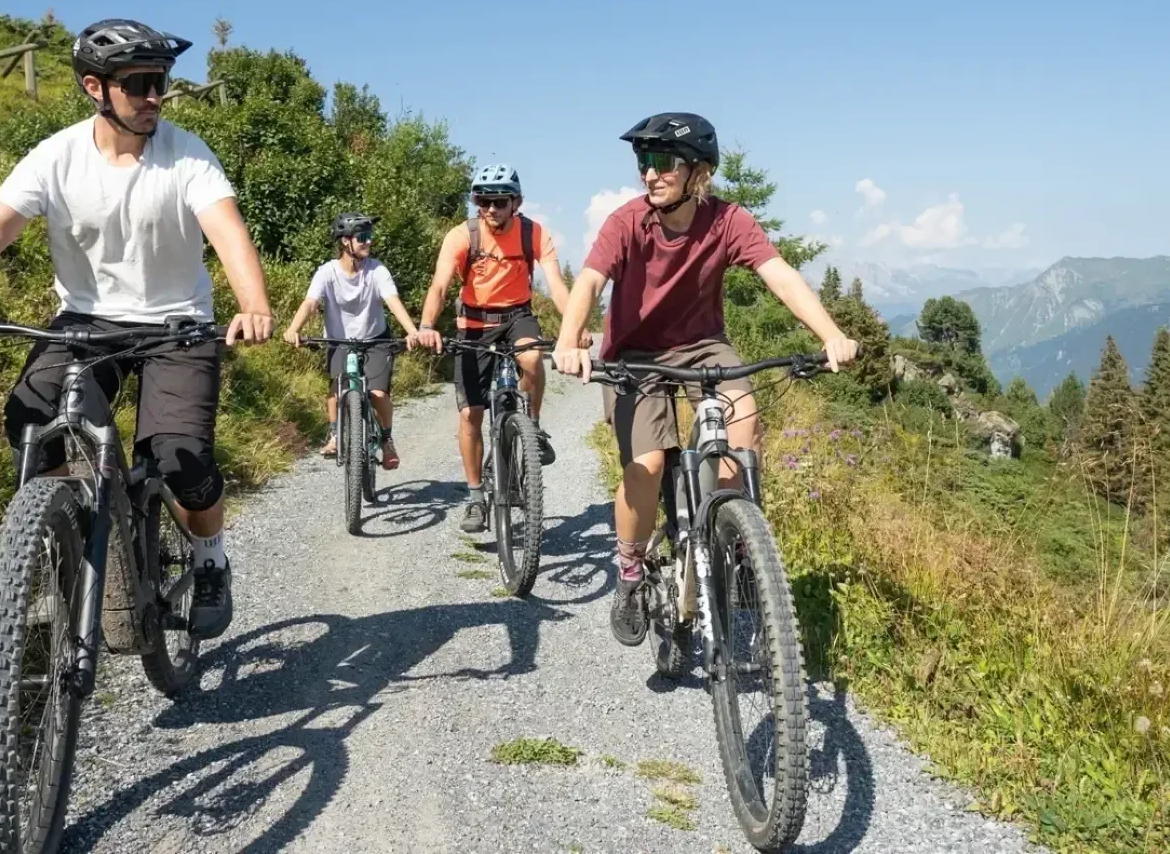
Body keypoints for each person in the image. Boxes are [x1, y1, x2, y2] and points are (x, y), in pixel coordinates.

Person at [0, 19, 275, 641]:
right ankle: (70, 539)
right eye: (139, 84)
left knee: (180, 458)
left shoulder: (187, 154)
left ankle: (209, 561)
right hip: (86, 322)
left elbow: (227, 231)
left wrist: (253, 304)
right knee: (31, 417)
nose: (154, 97)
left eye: (160, 83)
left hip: (177, 323)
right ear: (96, 87)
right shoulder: (56, 156)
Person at [551, 113, 859, 645]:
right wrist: (568, 339)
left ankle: (737, 541)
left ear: (699, 173)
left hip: (703, 346)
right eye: (643, 161)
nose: (649, 173)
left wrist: (831, 334)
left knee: (745, 423)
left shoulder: (728, 221)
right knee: (647, 465)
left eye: (662, 162)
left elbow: (780, 276)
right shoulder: (627, 222)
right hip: (635, 355)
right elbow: (591, 280)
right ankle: (630, 570)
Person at [414, 165, 581, 533]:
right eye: (483, 201)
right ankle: (476, 497)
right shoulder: (462, 235)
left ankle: (532, 428)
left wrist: (575, 328)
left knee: (532, 358)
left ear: (515, 203)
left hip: (517, 316)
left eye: (500, 201)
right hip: (474, 323)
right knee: (470, 414)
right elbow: (440, 285)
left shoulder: (533, 233)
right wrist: (426, 326)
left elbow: (556, 285)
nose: (491, 208)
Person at [283, 212, 420, 469]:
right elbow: (310, 303)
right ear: (346, 242)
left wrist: (412, 330)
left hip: (375, 340)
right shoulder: (327, 272)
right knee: (336, 390)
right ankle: (335, 435)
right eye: (363, 237)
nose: (369, 241)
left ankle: (387, 439)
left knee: (378, 394)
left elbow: (392, 301)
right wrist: (293, 329)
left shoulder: (377, 270)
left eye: (370, 236)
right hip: (339, 341)